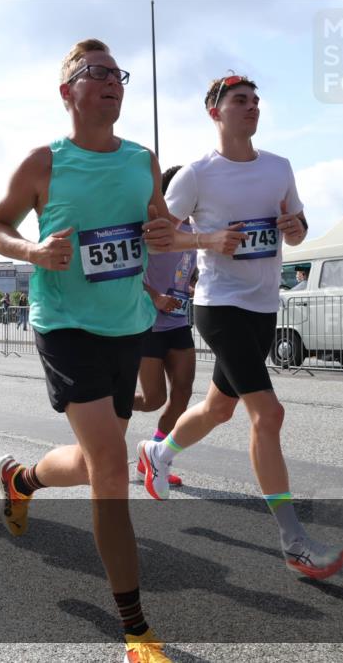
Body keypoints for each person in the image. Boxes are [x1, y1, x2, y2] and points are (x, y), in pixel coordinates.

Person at [0, 39, 170, 662]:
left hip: (127, 325)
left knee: (98, 462)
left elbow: (158, 225)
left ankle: (21, 479)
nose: (112, 82)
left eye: (117, 73)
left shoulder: (143, 160)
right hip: (65, 323)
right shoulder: (44, 162)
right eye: (96, 73)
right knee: (113, 470)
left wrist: (164, 236)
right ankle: (137, 632)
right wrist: (32, 251)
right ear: (67, 92)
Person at [137, 73, 343, 581]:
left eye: (256, 100)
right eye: (240, 100)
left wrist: (296, 228)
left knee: (217, 409)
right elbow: (159, 237)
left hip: (263, 307)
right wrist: (208, 240)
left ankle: (157, 452)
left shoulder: (279, 168)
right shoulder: (196, 174)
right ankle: (294, 541)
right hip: (219, 306)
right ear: (215, 112)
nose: (252, 107)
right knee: (268, 414)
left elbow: (295, 231)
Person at [132, 166, 194, 488]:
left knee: (183, 393)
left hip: (179, 322)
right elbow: (130, 273)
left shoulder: (195, 230)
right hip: (149, 324)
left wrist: (195, 285)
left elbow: (188, 270)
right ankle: (109, 400)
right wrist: (155, 297)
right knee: (153, 399)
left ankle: (155, 456)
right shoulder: (153, 229)